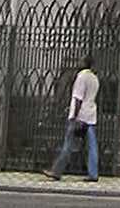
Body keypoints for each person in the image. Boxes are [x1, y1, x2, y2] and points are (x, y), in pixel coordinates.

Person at [43, 54, 100, 182]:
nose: (78, 63)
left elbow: (78, 98)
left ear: (85, 63)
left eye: (81, 61)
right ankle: (93, 173)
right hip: (91, 115)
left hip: (80, 116)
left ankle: (56, 171)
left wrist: (74, 115)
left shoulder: (81, 77)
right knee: (92, 146)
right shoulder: (94, 78)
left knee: (68, 144)